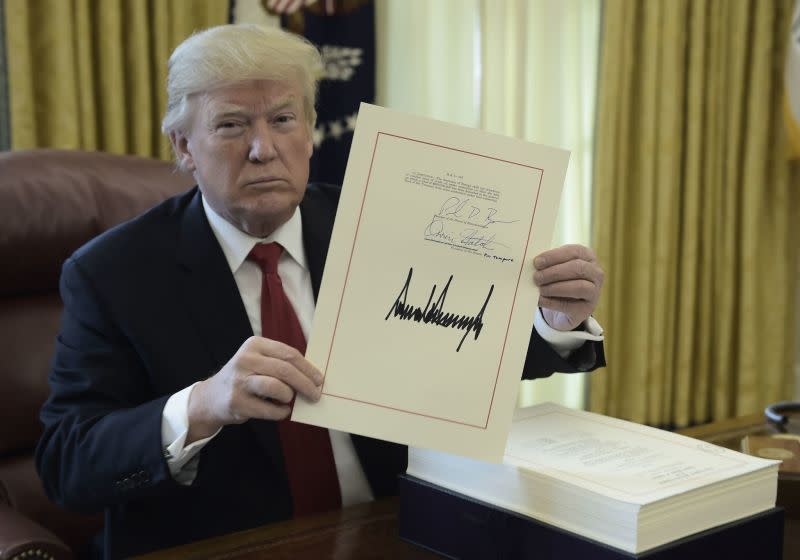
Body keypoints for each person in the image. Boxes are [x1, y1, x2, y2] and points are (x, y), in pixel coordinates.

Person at [35, 24, 606, 559]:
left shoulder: (386, 221)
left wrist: (553, 321)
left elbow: (468, 351)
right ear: (184, 147)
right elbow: (67, 463)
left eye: (283, 120)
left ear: (309, 131)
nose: (263, 149)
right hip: (228, 546)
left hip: (393, 530)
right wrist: (202, 404)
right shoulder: (112, 273)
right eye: (232, 125)